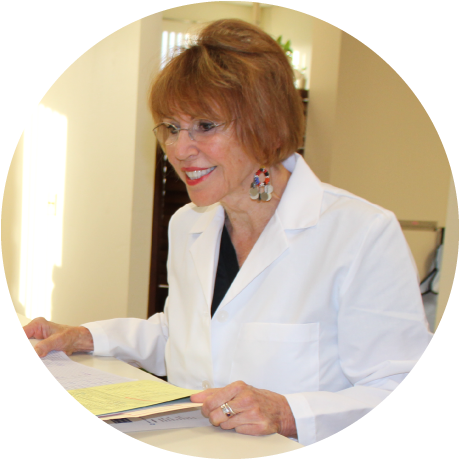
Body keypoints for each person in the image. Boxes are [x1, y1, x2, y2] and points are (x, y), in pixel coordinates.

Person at [23, 19, 433, 446]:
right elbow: (182, 332)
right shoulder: (188, 225)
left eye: (205, 125)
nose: (180, 150)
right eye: (171, 127)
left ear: (267, 125)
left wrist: (288, 412)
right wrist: (85, 336)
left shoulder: (360, 233)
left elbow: (395, 381)